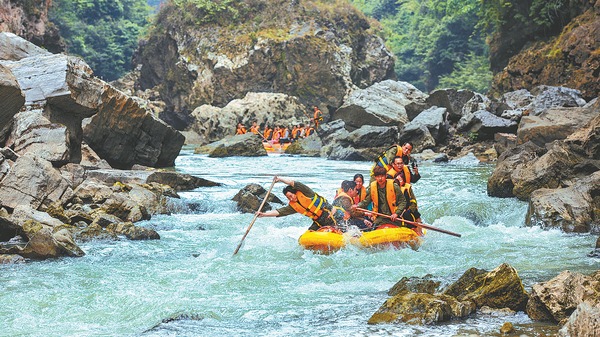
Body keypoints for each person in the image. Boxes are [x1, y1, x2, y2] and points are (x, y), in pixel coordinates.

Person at [256, 176, 337, 231]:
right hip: (319, 222)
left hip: (331, 214)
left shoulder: (306, 192)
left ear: (295, 192)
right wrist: (263, 214)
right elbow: (279, 212)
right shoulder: (294, 206)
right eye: (288, 198)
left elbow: (292, 182)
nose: (291, 198)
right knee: (306, 239)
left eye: (291, 196)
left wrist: (280, 179)